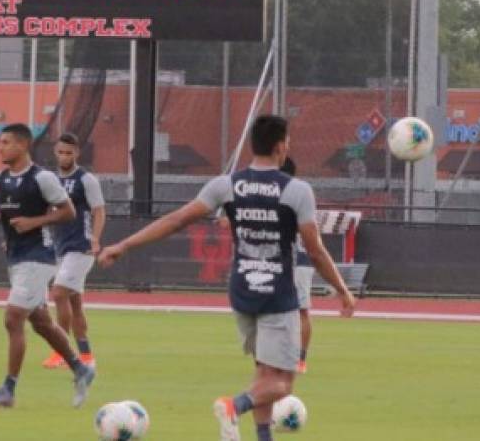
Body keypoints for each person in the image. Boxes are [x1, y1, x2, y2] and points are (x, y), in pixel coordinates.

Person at [99, 115, 356, 441]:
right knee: (282, 383)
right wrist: (342, 289)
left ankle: (263, 436)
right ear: (280, 146)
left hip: (242, 291)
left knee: (264, 373)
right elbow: (316, 251)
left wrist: (123, 244)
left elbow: (178, 220)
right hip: (277, 294)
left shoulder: (227, 185)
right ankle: (233, 405)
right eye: (287, 141)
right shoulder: (296, 190)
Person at [0, 123, 95, 409]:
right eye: (0, 142)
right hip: (16, 259)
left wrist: (35, 222)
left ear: (22, 145)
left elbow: (68, 211)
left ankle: (8, 390)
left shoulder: (42, 178)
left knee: (12, 318)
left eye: (5, 142)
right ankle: (81, 368)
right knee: (41, 322)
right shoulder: (1, 180)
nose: (0, 147)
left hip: (39, 257)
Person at [41, 132, 107, 369]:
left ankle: (61, 350)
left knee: (58, 293)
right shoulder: (50, 180)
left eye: (69, 153)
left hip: (81, 247)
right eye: (60, 152)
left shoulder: (86, 180)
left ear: (77, 153)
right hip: (60, 247)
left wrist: (96, 239)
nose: (64, 156)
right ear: (55, 152)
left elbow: (99, 210)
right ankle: (87, 356)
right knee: (75, 302)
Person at [283, 157, 314, 375]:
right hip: (285, 261)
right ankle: (284, 356)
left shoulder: (294, 195)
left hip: (299, 261)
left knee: (301, 311)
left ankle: (300, 358)